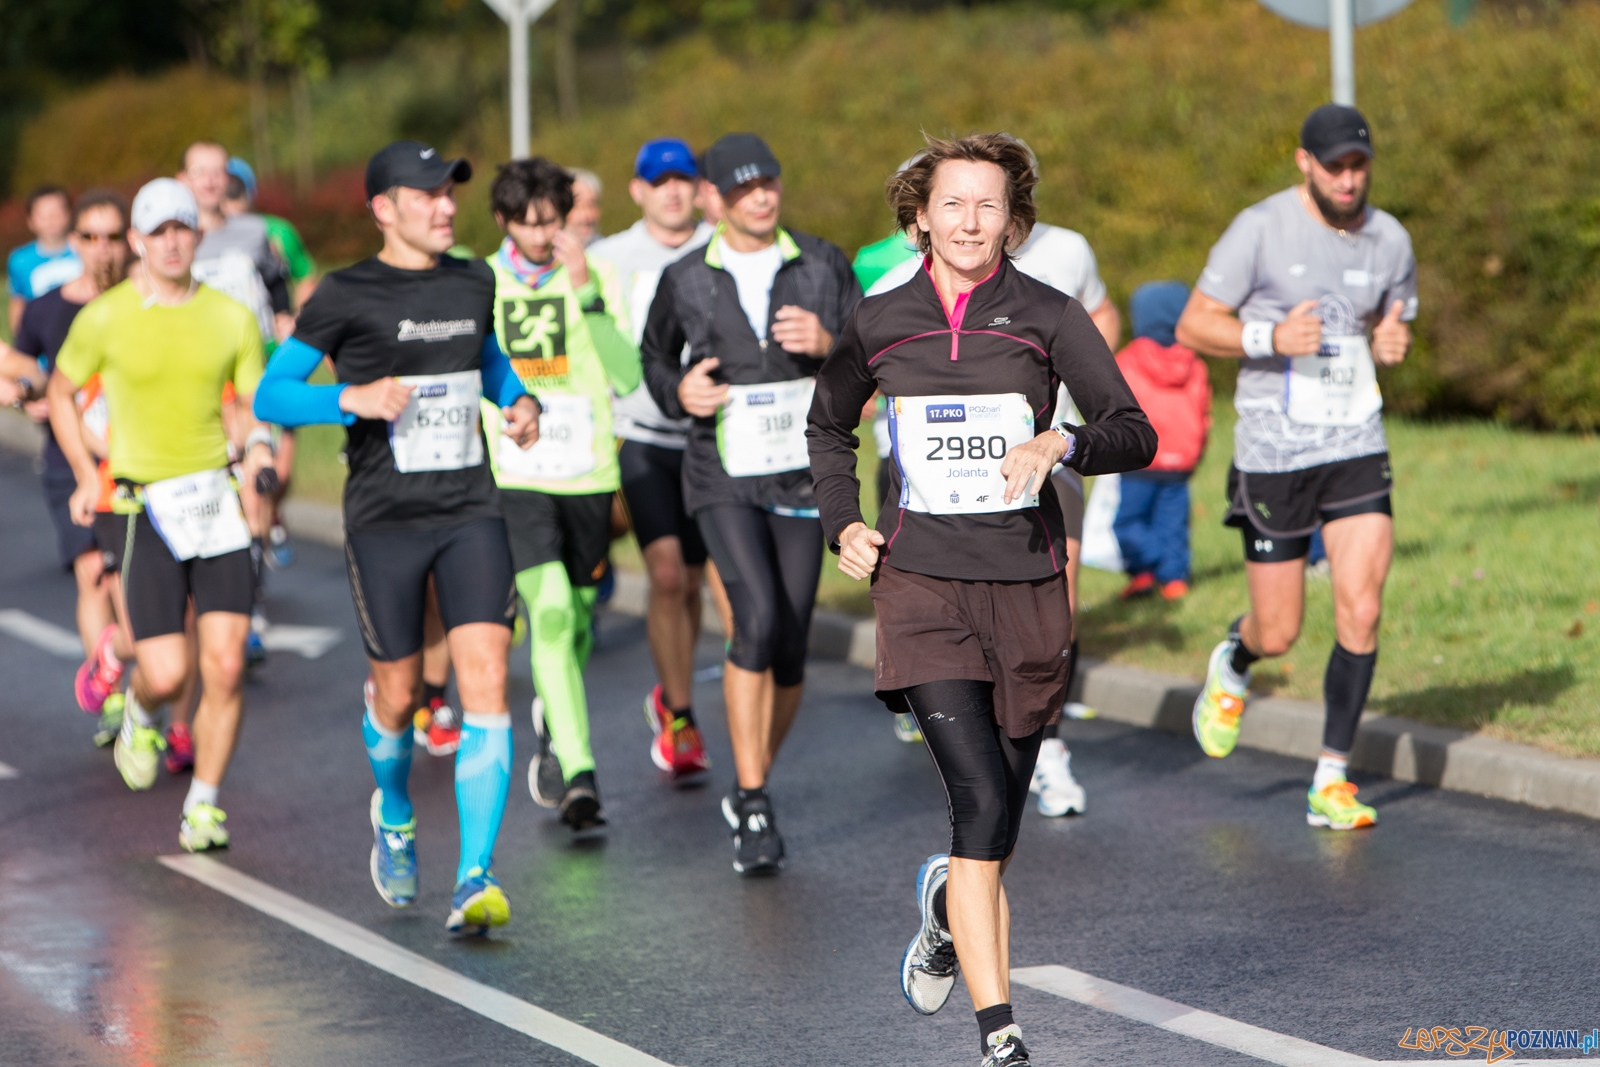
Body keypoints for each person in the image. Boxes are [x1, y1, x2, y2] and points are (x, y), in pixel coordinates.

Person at [809, 133, 1156, 1067]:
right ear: (919, 214)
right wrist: (842, 523)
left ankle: (941, 913)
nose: (970, 221)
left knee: (998, 811)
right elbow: (827, 425)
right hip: (920, 583)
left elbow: (1135, 430)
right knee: (974, 800)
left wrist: (1063, 446)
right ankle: (999, 1031)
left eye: (989, 205)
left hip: (1029, 583)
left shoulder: (1049, 315)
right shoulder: (880, 320)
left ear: (1015, 219)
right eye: (953, 203)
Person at [254, 140, 541, 932]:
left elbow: (485, 357)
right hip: (384, 520)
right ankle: (392, 806)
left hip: (470, 510)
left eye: (451, 192)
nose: (446, 206)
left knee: (486, 674)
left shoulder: (474, 277)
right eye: (429, 195)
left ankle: (474, 875)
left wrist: (518, 403)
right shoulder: (346, 293)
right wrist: (353, 396)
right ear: (385, 208)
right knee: (400, 693)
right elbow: (272, 394)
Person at [1176, 104, 1415, 831]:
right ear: (1304, 162)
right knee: (1279, 629)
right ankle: (1236, 659)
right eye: (1335, 165)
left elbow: (1392, 313)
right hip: (1276, 454)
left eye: (1359, 165)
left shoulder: (1391, 238)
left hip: (1355, 443)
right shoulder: (1261, 227)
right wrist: (1269, 333)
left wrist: (1392, 336)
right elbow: (1194, 322)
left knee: (1363, 606)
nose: (1348, 179)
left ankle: (1331, 777)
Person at [643, 132, 861, 874]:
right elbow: (653, 356)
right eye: (741, 188)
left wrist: (830, 341)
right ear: (712, 198)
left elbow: (871, 358)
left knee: (792, 640)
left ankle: (749, 772)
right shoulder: (684, 278)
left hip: (802, 475)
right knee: (757, 617)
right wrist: (680, 391)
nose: (760, 196)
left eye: (768, 181)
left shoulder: (824, 262)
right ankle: (755, 793)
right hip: (722, 473)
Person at [47, 178, 271, 852]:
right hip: (143, 504)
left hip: (216, 500)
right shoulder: (107, 317)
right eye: (158, 231)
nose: (172, 241)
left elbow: (252, 402)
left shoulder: (229, 317)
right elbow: (61, 394)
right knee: (169, 669)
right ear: (138, 242)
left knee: (226, 664)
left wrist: (259, 461)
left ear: (196, 236)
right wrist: (88, 475)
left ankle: (203, 802)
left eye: (183, 228)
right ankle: (142, 710)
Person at [484, 156, 639, 832]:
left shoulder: (598, 272)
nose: (545, 235)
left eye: (555, 221)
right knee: (545, 612)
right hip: (518, 469)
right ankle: (579, 770)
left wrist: (586, 292)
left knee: (575, 617)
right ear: (505, 221)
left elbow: (627, 374)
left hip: (589, 471)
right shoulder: (484, 281)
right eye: (531, 223)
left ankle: (557, 708)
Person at [590, 138, 716, 780]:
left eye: (682, 179)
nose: (672, 191)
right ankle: (682, 717)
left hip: (708, 438)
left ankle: (673, 690)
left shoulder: (721, 248)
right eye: (658, 181)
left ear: (698, 188)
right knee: (665, 576)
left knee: (690, 583)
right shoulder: (607, 256)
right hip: (637, 433)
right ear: (637, 190)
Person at [4, 190, 132, 713]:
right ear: (73, 243)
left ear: (129, 242)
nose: (102, 248)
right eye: (91, 237)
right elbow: (17, 365)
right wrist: (27, 394)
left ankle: (131, 676)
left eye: (112, 237)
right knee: (95, 575)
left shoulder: (140, 302)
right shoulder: (47, 306)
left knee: (133, 586)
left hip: (137, 456)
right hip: (69, 460)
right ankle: (114, 703)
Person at [219, 163, 301, 573]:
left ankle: (270, 519)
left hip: (269, 362)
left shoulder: (268, 232)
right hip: (225, 377)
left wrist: (290, 319)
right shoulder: (191, 238)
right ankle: (250, 564)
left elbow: (292, 278)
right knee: (248, 469)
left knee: (277, 471)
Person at [1111, 281, 1211, 601]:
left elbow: (1113, 410)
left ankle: (1146, 570)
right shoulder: (1194, 365)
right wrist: (1197, 452)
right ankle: (1173, 580)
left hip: (1138, 459)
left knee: (1128, 522)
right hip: (1179, 461)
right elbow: (1203, 414)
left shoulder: (1127, 362)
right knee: (1173, 523)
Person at [224, 157, 320, 308]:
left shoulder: (277, 231)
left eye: (235, 189)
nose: (228, 197)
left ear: (251, 192)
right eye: (222, 189)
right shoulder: (199, 236)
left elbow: (305, 277)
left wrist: (298, 322)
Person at [8, 185, 82, 333]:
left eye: (56, 213)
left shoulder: (85, 250)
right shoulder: (20, 260)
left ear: (69, 214)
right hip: (42, 346)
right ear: (30, 220)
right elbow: (18, 306)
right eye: (43, 215)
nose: (51, 221)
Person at [566, 168, 603, 246]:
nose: (586, 215)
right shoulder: (545, 253)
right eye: (577, 206)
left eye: (592, 205)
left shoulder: (609, 251)